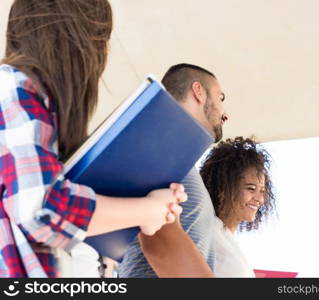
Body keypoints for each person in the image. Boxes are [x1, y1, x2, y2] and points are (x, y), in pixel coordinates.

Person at [0, 0, 185, 278]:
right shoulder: (12, 87)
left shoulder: (31, 102)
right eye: (103, 39)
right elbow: (40, 209)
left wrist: (151, 209)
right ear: (76, 40)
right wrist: (144, 210)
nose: (107, 52)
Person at [119, 63, 229, 277]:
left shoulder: (176, 156)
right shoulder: (159, 144)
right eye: (220, 98)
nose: (225, 114)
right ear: (199, 92)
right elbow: (160, 245)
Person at [199, 137, 276, 277]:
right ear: (223, 186)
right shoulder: (206, 235)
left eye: (262, 191)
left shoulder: (225, 237)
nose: (260, 199)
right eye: (251, 189)